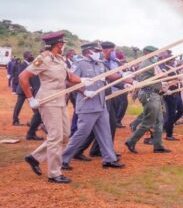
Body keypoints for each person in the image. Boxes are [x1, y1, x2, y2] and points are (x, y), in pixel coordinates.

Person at [20, 32, 87, 184]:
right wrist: (31, 99)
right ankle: (54, 174)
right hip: (48, 100)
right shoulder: (43, 59)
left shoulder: (60, 59)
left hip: (60, 99)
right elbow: (23, 77)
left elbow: (69, 77)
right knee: (56, 136)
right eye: (62, 43)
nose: (63, 46)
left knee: (65, 135)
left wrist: (83, 80)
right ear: (58, 44)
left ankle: (34, 157)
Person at [61, 42, 124, 170]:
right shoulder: (79, 64)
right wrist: (83, 91)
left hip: (101, 104)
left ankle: (109, 159)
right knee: (82, 133)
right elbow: (68, 81)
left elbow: (109, 76)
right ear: (89, 52)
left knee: (105, 133)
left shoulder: (100, 64)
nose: (99, 53)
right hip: (87, 104)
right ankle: (63, 159)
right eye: (96, 50)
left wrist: (126, 77)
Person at [124, 45, 170, 154]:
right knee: (148, 121)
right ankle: (131, 141)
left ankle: (158, 145)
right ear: (148, 53)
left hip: (154, 94)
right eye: (155, 53)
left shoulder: (151, 63)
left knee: (159, 121)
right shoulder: (147, 64)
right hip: (149, 94)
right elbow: (161, 75)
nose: (157, 55)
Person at [161, 54, 183, 141]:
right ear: (168, 60)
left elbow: (178, 79)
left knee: (182, 111)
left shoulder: (173, 69)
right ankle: (169, 134)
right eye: (172, 60)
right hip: (170, 94)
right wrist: (165, 90)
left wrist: (182, 81)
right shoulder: (164, 69)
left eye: (174, 60)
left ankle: (166, 125)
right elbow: (163, 80)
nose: (174, 61)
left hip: (177, 93)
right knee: (171, 115)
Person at [11, 51, 34, 126]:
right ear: (26, 56)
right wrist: (29, 86)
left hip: (29, 89)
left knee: (34, 105)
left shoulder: (30, 64)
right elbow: (21, 77)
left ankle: (36, 121)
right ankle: (15, 120)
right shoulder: (22, 65)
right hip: (23, 89)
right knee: (19, 105)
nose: (32, 56)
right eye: (31, 55)